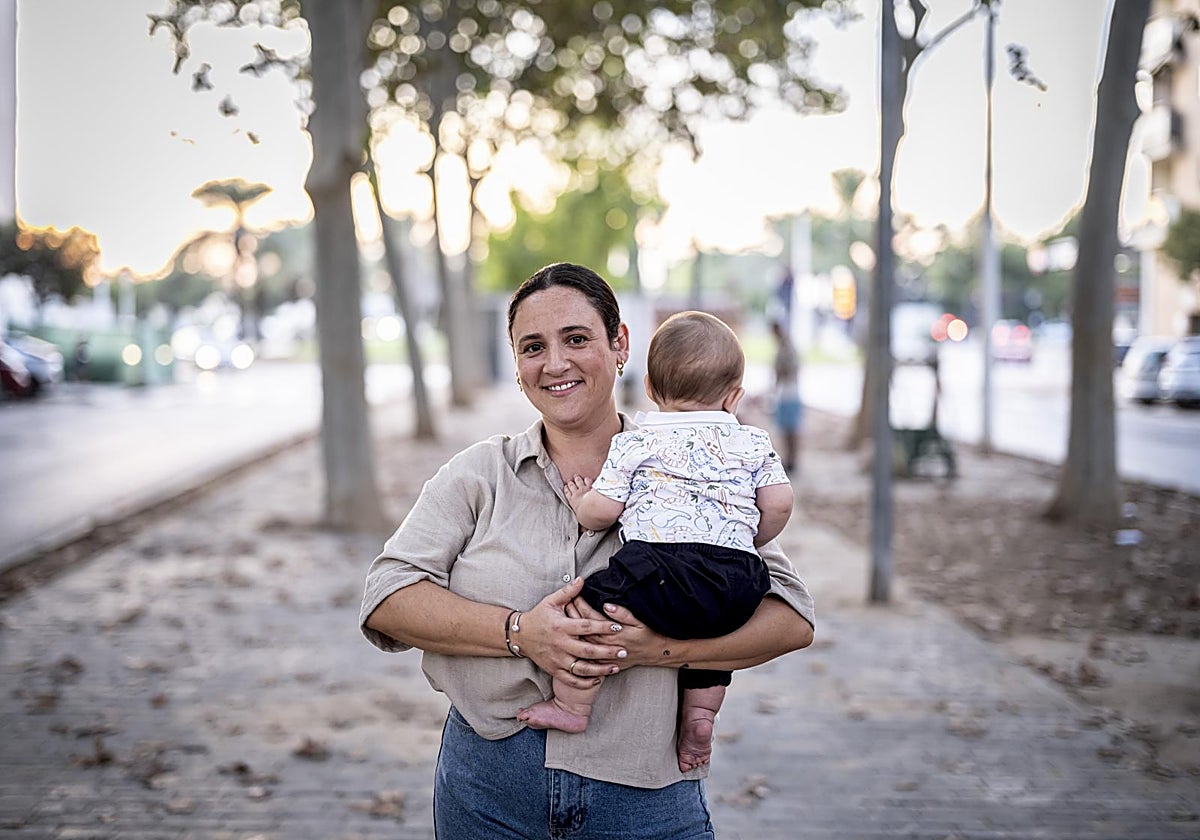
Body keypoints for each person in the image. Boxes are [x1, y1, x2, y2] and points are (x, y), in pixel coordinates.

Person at [360, 263, 814, 839]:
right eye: (532, 347)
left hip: (646, 802)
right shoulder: (480, 475)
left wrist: (659, 650)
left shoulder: (705, 470)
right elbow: (386, 599)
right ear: (518, 366)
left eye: (576, 338)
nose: (555, 363)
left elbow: (793, 622)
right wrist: (522, 632)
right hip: (488, 795)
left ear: (620, 344)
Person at [516, 310, 794, 775]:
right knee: (713, 631)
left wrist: (582, 499)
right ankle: (701, 718)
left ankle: (573, 706)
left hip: (661, 565)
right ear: (735, 396)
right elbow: (781, 502)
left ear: (649, 387)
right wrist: (749, 539)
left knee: (582, 610)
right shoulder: (753, 441)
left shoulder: (637, 442)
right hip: (740, 575)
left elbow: (602, 512)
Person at [771, 319, 803, 473]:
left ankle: (792, 459)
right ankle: (790, 459)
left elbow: (787, 371)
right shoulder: (785, 347)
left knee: (790, 429)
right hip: (787, 392)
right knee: (787, 429)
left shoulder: (787, 348)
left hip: (789, 392)